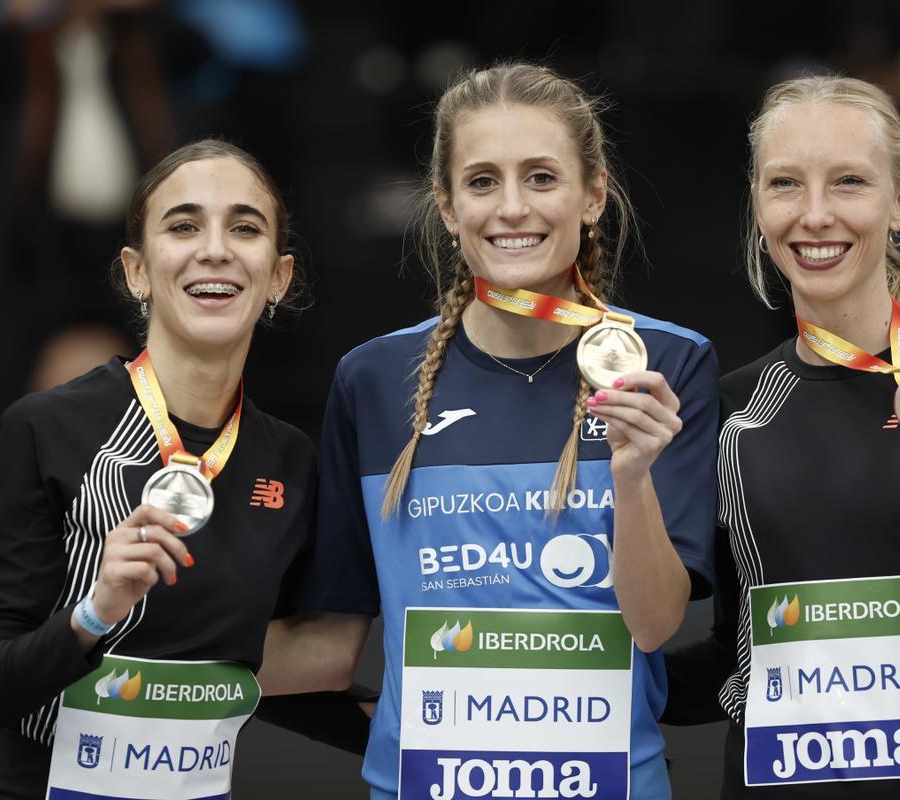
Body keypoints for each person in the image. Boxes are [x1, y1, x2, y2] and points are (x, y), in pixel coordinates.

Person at [300, 63, 719, 799]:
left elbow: (653, 627)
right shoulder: (370, 379)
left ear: (592, 195)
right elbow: (330, 648)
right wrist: (113, 657)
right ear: (446, 204)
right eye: (483, 181)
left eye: (541, 177)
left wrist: (630, 474)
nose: (512, 208)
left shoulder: (669, 363)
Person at [662, 75, 900, 798]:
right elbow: (730, 661)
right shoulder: (730, 410)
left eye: (848, 182)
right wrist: (573, 682)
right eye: (785, 183)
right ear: (756, 203)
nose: (814, 216)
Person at [0, 139, 367, 799]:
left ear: (279, 277)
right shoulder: (47, 429)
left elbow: (245, 666)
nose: (215, 248)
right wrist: (96, 612)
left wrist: (430, 732)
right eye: (183, 226)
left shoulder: (288, 458)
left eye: (244, 227)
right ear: (137, 271)